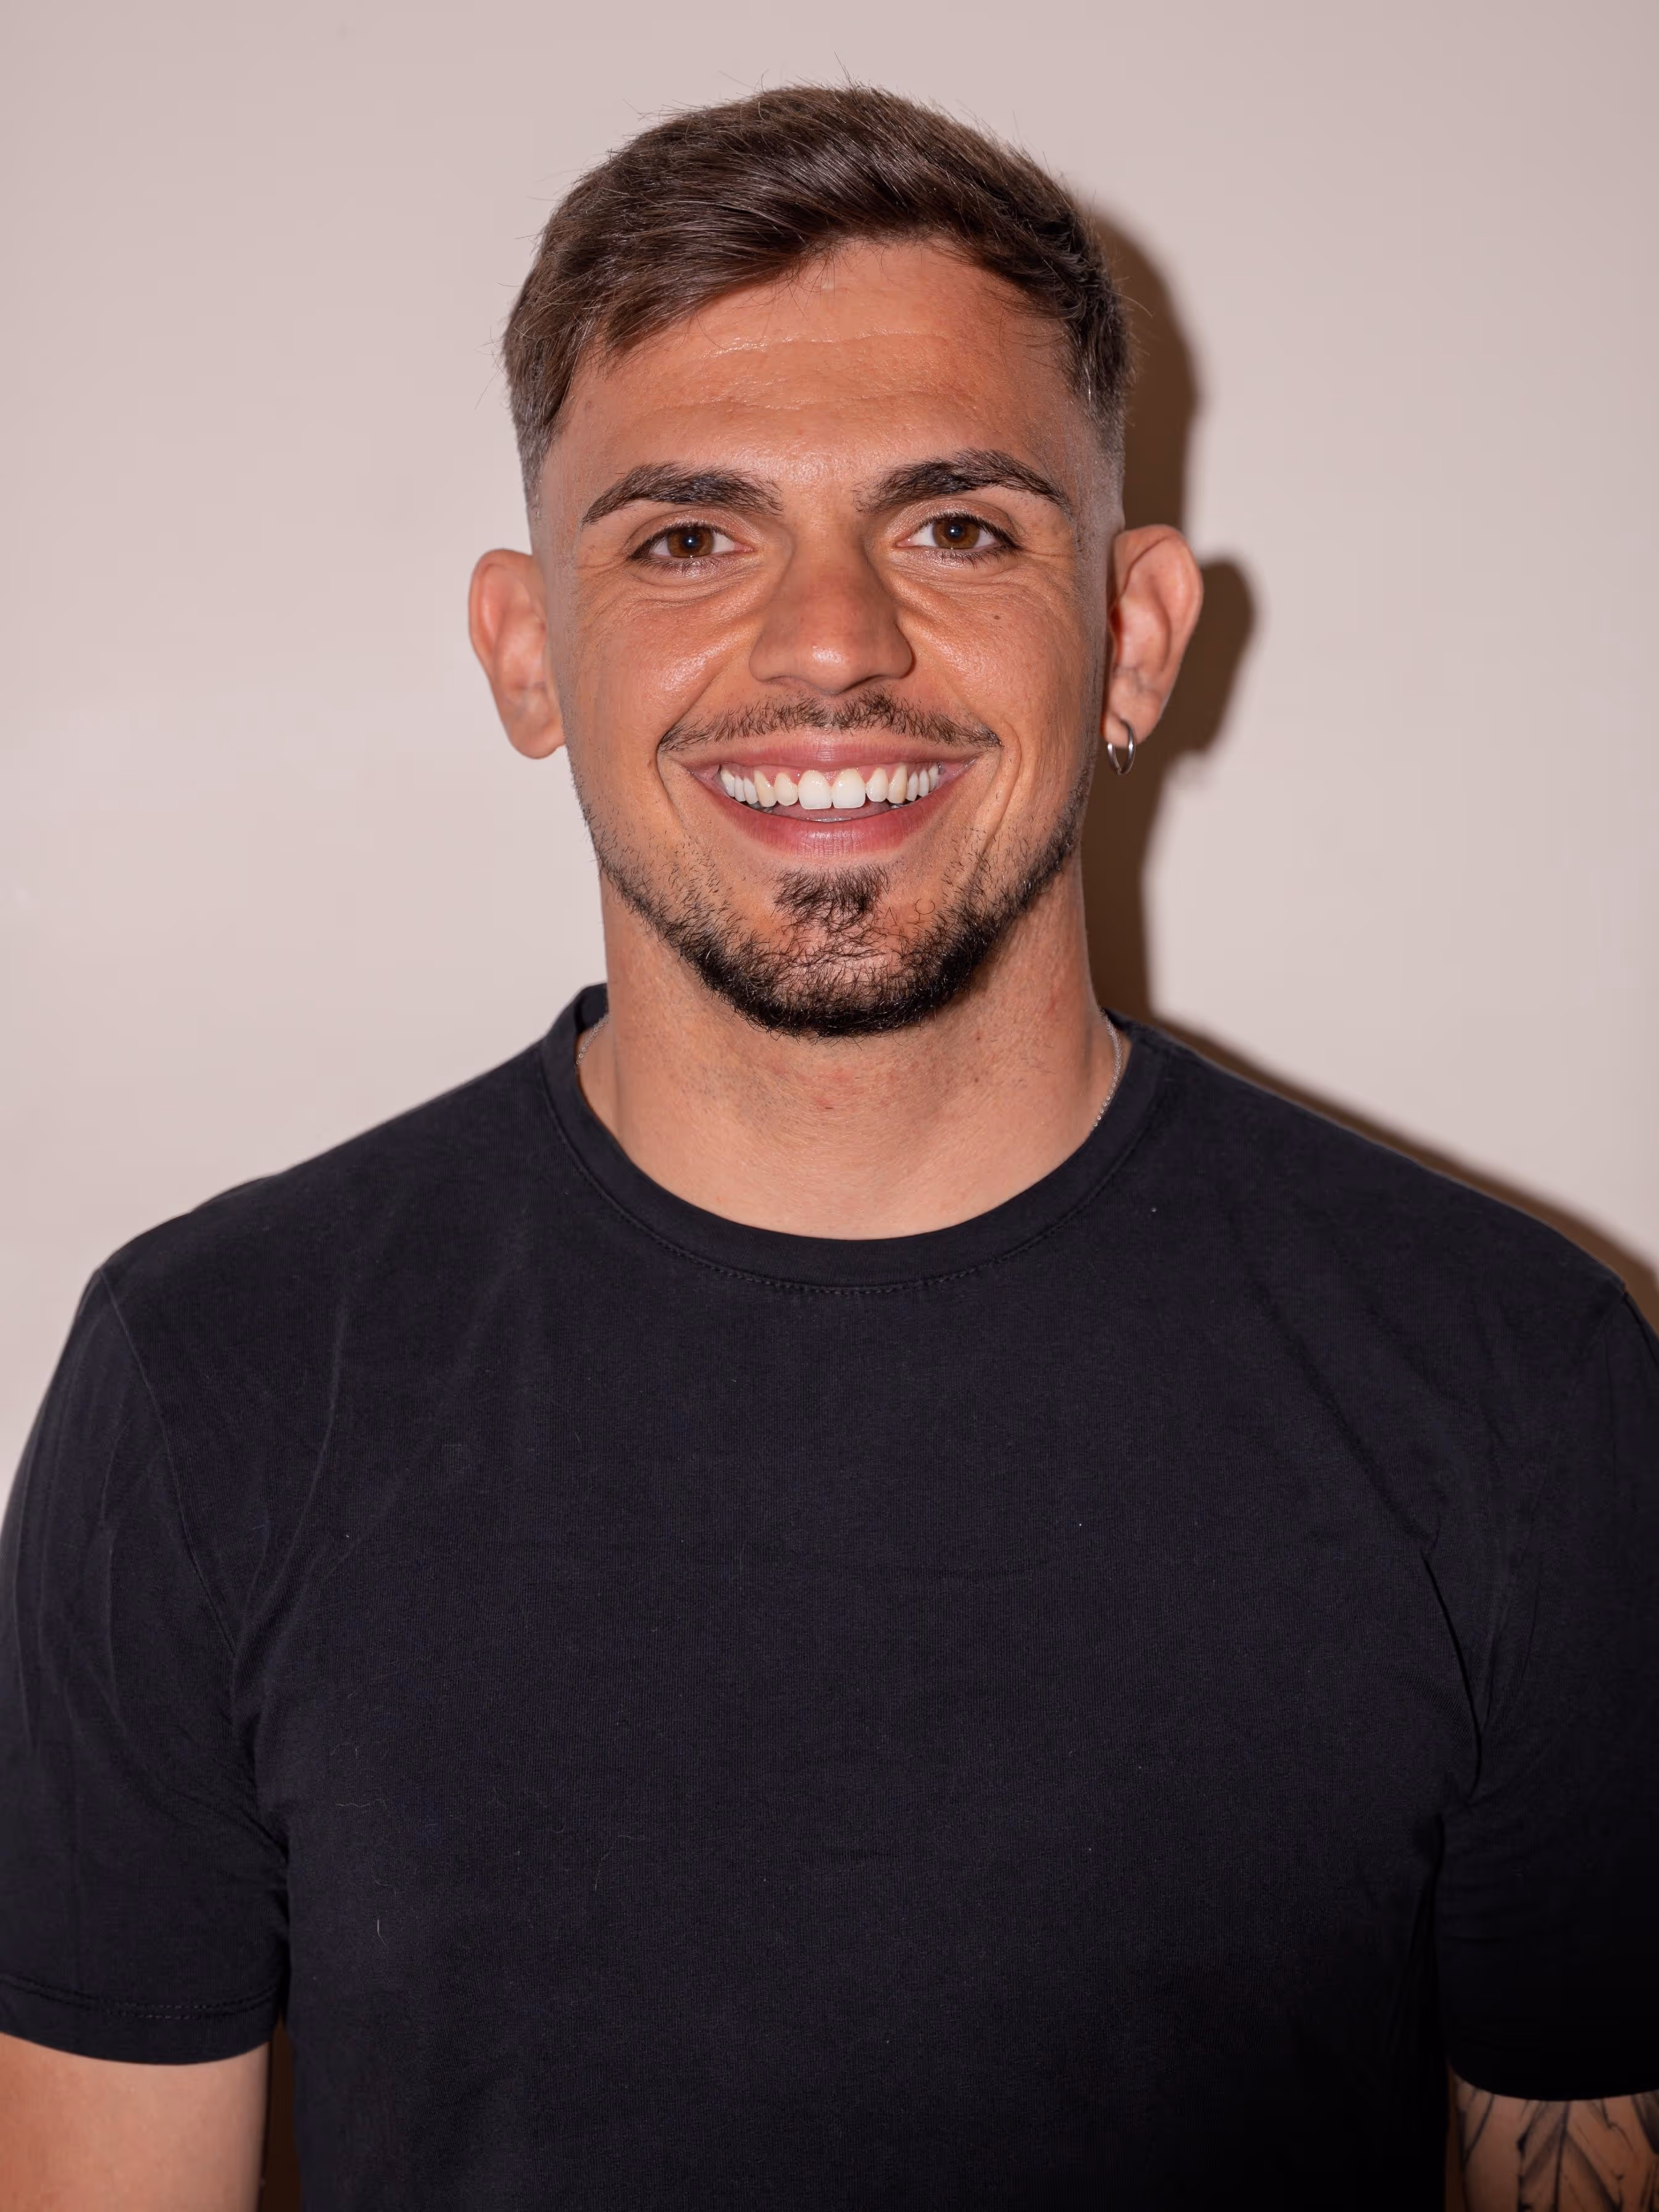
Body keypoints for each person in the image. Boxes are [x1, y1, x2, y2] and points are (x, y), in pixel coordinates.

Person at [1, 83, 1655, 2212]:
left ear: (1136, 634)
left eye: (956, 526)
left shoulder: (1516, 1388)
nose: (829, 646)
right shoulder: (211, 1383)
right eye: (688, 538)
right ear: (529, 652)